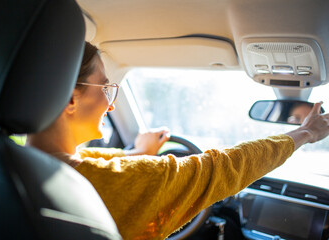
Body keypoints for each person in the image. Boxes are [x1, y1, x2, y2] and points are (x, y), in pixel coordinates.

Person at [27, 42, 329, 240]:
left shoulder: (16, 163)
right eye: (106, 88)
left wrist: (136, 152)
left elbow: (102, 163)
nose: (112, 105)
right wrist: (305, 133)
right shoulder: (98, 183)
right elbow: (219, 168)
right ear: (69, 97)